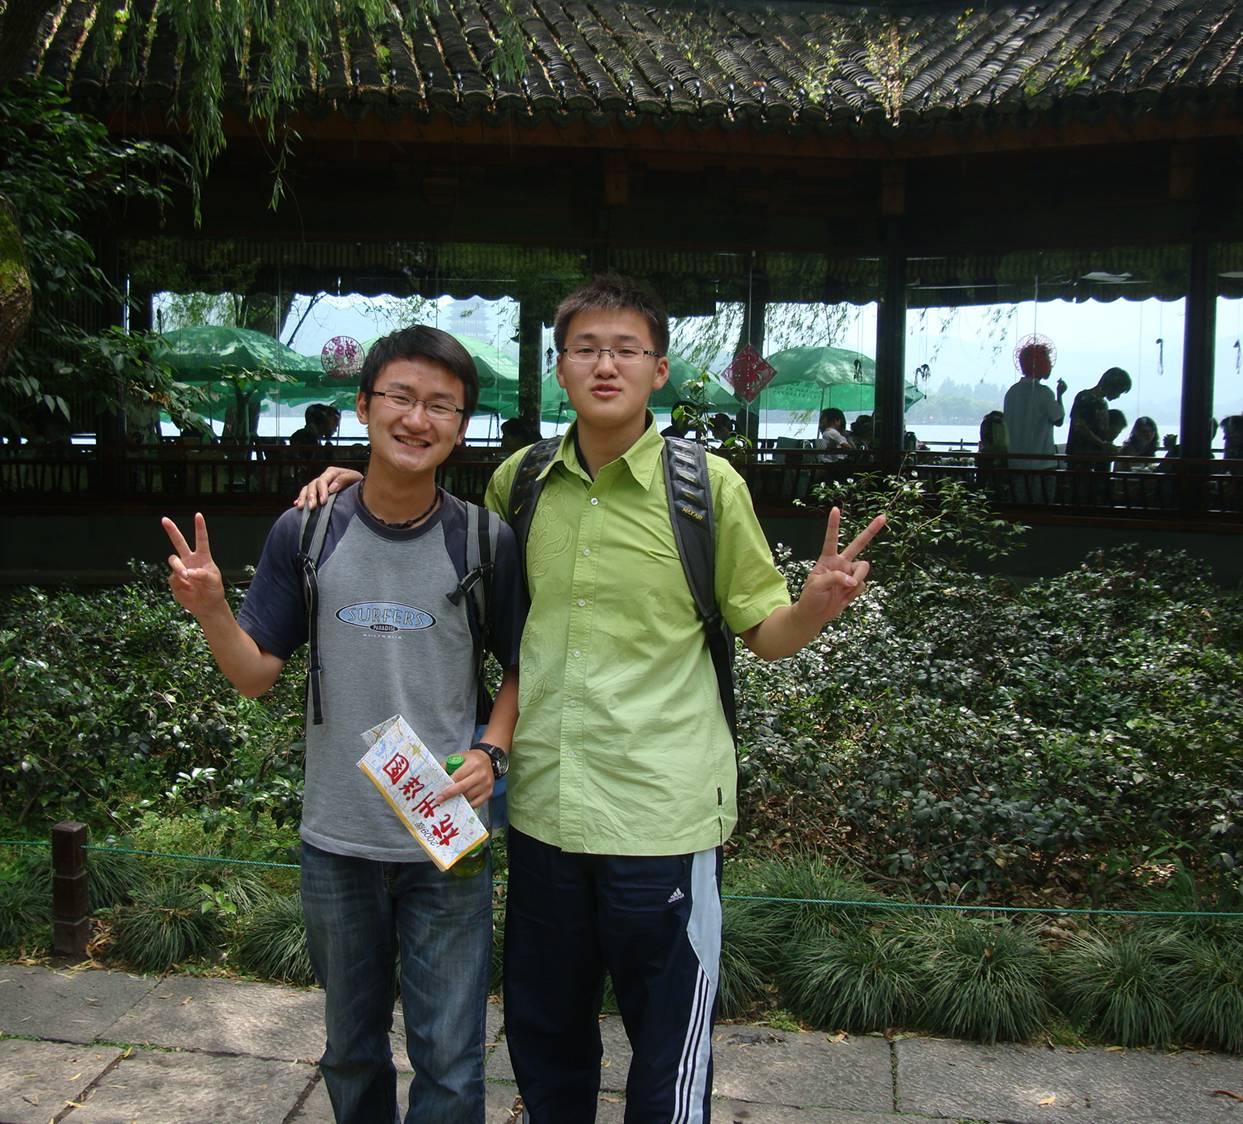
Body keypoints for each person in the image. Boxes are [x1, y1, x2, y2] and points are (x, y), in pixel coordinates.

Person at [297, 276, 885, 1123]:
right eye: (586, 348)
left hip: (664, 814)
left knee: (666, 1042)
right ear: (561, 367)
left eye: (626, 350)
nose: (605, 364)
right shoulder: (519, 483)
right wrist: (351, 478)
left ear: (660, 370)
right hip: (544, 813)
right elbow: (428, 524)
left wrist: (815, 606)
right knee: (544, 1034)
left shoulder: (705, 487)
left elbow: (765, 632)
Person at [162, 326, 525, 1124]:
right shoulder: (310, 530)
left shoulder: (482, 540)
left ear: (461, 427)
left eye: (441, 405)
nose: (416, 418)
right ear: (363, 406)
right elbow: (256, 673)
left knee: (452, 1058)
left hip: (445, 836)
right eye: (399, 396)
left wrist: (491, 752)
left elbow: (522, 668)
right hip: (337, 838)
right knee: (350, 1050)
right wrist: (216, 611)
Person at [1002, 341, 1066, 500]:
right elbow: (1058, 420)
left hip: (1015, 463)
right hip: (1041, 464)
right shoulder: (1044, 393)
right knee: (1041, 507)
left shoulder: (1012, 392)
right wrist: (1060, 395)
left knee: (1020, 507)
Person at [1066, 366, 1131, 468]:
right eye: (1119, 391)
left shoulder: (1102, 403)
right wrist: (1102, 444)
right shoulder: (1084, 397)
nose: (1118, 396)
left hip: (1096, 458)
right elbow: (1078, 425)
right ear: (1111, 386)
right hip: (1081, 458)